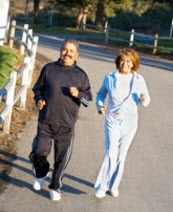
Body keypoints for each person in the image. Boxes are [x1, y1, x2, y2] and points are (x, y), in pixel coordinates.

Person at [29, 39, 92, 201]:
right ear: (60, 51)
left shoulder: (81, 75)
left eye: (71, 51)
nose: (67, 53)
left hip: (66, 125)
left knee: (61, 159)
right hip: (46, 120)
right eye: (65, 49)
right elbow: (38, 89)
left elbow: (88, 98)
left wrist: (78, 94)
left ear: (76, 54)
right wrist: (39, 100)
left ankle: (55, 187)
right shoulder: (49, 69)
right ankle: (42, 173)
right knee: (38, 152)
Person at [94, 48, 150, 198]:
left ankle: (114, 185)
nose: (124, 63)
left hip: (130, 122)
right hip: (112, 119)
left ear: (133, 64)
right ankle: (102, 186)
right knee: (111, 152)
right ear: (118, 61)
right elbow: (101, 94)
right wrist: (100, 106)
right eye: (122, 60)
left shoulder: (139, 80)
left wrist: (144, 97)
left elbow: (146, 102)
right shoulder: (110, 77)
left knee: (121, 156)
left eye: (128, 61)